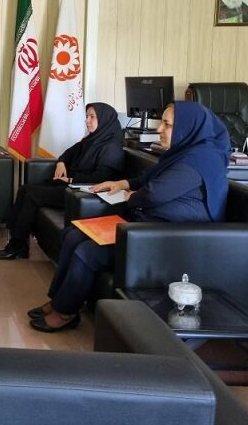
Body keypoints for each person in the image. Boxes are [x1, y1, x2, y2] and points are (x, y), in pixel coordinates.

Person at [27, 101, 229, 332]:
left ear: (188, 128)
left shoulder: (200, 161)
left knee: (86, 252)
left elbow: (153, 193)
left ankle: (65, 312)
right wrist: (122, 184)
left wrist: (131, 196)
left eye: (167, 124)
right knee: (73, 234)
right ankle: (58, 301)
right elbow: (147, 177)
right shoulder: (184, 153)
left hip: (164, 240)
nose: (159, 129)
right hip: (143, 228)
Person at [0, 103, 125, 260]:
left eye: (92, 117)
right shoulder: (91, 139)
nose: (87, 121)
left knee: (32, 195)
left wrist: (71, 179)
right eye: (87, 116)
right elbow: (68, 153)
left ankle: (17, 244)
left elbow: (102, 178)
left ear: (104, 120)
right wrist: (61, 162)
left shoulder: (112, 147)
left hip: (82, 193)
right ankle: (16, 240)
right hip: (71, 185)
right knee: (25, 189)